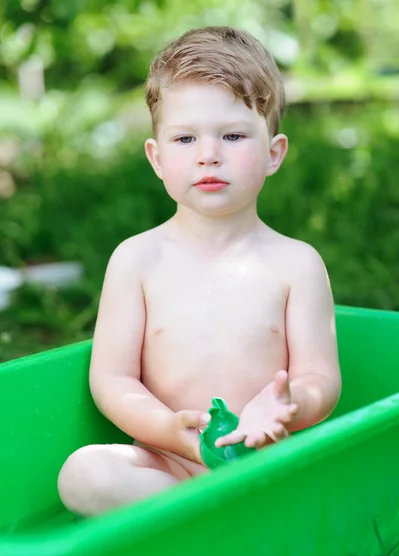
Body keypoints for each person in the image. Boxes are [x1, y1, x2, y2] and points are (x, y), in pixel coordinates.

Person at [58, 26, 342, 516]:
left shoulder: (297, 263)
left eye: (233, 135)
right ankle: (205, 517)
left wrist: (289, 402)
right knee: (83, 473)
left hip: (263, 460)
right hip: (169, 461)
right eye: (185, 137)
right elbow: (113, 379)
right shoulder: (136, 260)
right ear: (157, 158)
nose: (208, 153)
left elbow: (322, 378)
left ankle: (200, 523)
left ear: (273, 153)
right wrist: (168, 431)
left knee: (318, 475)